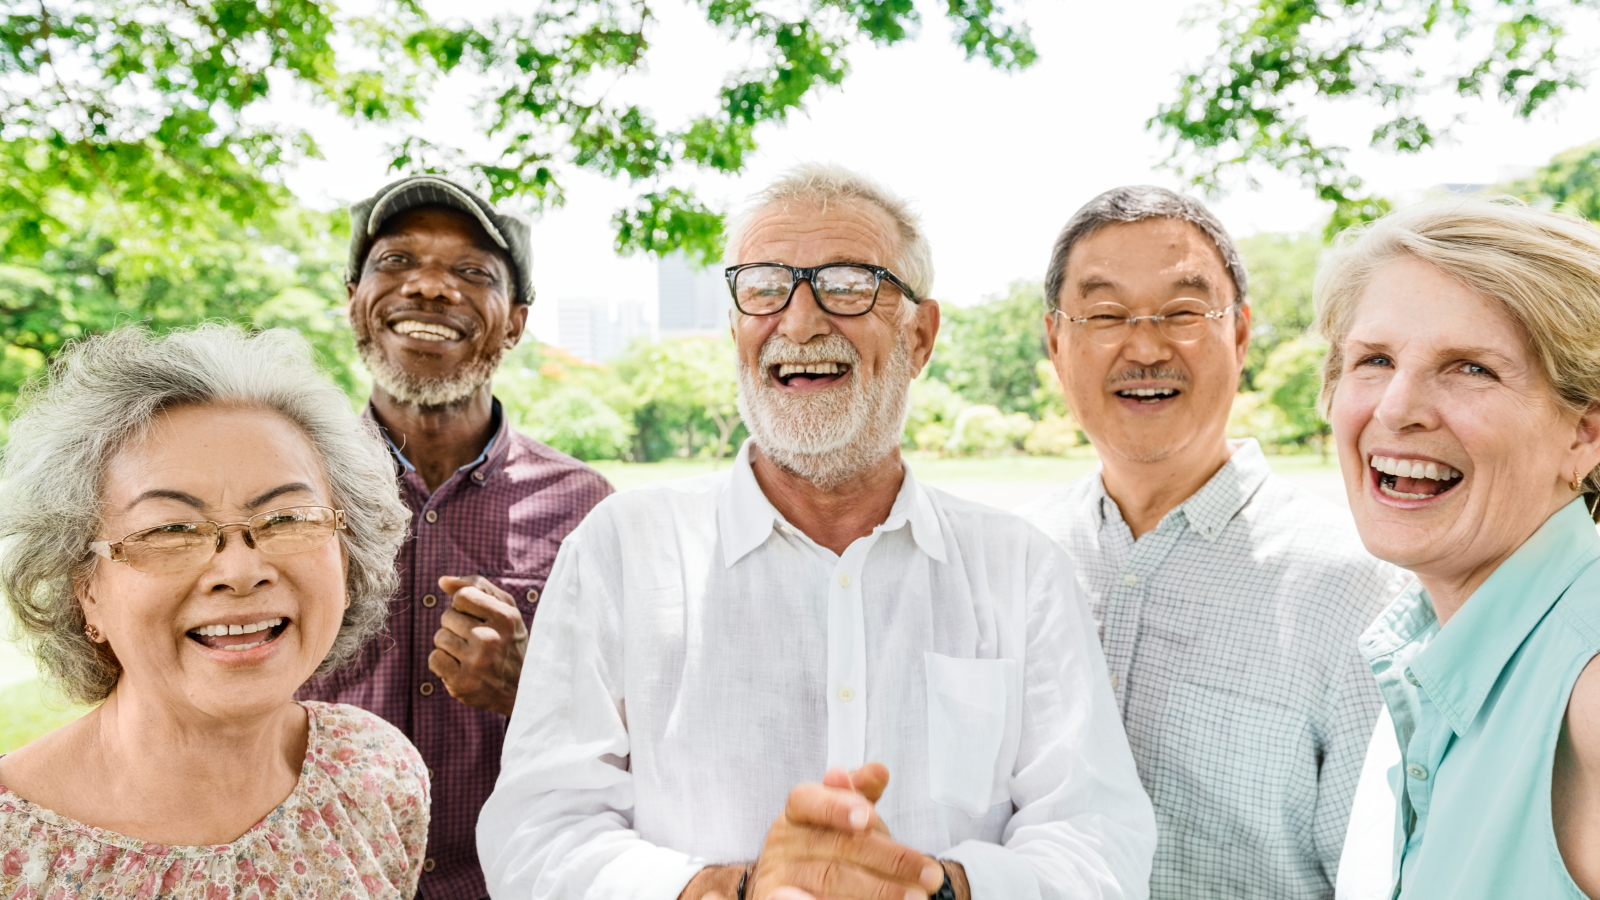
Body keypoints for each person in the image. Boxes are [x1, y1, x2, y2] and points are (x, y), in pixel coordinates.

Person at [478, 164, 1157, 900]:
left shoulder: (1019, 569)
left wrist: (933, 888)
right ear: (737, 327)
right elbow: (537, 831)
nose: (799, 323)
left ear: (920, 337)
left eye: (847, 283)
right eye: (766, 287)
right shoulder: (623, 550)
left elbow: (1098, 838)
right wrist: (728, 891)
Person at [1015, 186, 1409, 899]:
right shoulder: (1018, 560)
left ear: (1240, 334)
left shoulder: (1353, 586)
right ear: (1055, 341)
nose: (1145, 346)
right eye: (1105, 315)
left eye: (1184, 312)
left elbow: (1381, 881)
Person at [0, 326, 423, 898]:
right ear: (85, 589)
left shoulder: (376, 772)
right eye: (170, 529)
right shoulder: (14, 848)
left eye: (289, 518)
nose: (241, 571)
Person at [295, 175, 614, 900]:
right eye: (396, 262)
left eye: (472, 272)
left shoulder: (588, 509)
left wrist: (533, 687)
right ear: (354, 300)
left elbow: (638, 739)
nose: (431, 288)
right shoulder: (285, 492)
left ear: (516, 322)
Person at [1316, 198, 1600, 898]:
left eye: (1471, 367)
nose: (1395, 408)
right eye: (1374, 359)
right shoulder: (1426, 649)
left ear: (1585, 434)